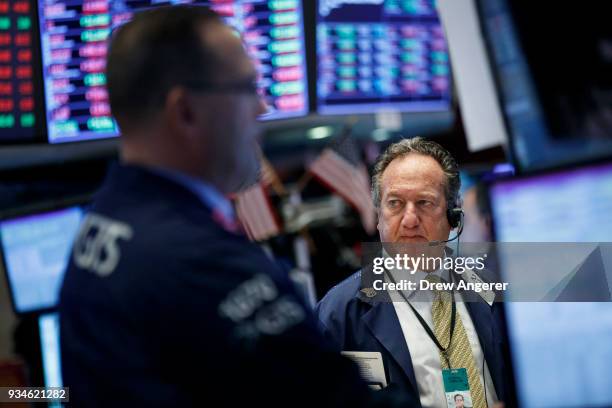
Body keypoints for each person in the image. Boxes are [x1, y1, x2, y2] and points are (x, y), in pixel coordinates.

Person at [59, 6, 414, 407]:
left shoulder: (106, 219)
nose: (261, 108)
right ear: (186, 112)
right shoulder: (200, 262)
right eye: (246, 88)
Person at [315, 138, 513, 408]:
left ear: (453, 217)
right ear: (378, 216)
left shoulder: (498, 292)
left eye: (425, 203)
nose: (409, 220)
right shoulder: (338, 313)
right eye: (395, 204)